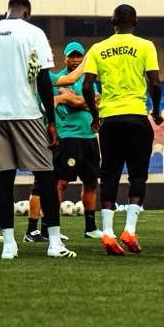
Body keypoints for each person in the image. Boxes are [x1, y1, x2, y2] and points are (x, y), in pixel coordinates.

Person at [56, 4, 162, 255]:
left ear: (112, 22)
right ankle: (130, 230)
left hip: (110, 120)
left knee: (110, 174)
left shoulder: (98, 49)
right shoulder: (146, 46)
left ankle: (107, 233)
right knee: (138, 175)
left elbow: (86, 86)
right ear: (135, 21)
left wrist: (95, 115)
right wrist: (156, 111)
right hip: (136, 116)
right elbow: (155, 83)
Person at [0, 0, 70, 260]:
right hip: (27, 113)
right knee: (45, 177)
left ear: (8, 11)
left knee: (4, 180)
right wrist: (50, 121)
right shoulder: (34, 33)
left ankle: (9, 245)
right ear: (27, 13)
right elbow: (42, 80)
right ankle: (53, 244)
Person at [52, 42, 99, 243]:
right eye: (71, 56)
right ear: (65, 58)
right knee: (61, 182)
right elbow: (71, 99)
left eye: (79, 56)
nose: (75, 60)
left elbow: (95, 99)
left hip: (89, 136)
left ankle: (90, 228)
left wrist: (77, 100)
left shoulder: (89, 78)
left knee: (91, 182)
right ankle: (52, 227)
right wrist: (80, 101)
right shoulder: (61, 79)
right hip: (69, 136)